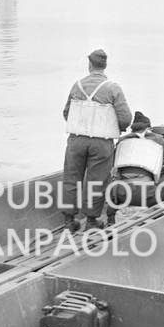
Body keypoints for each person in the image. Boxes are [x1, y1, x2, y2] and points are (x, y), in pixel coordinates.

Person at [61, 49, 132, 231]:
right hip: (101, 143)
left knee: (71, 178)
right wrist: (116, 126)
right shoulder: (113, 88)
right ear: (104, 65)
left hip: (76, 140)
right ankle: (91, 221)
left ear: (89, 65)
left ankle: (69, 221)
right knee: (96, 181)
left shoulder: (77, 86)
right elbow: (126, 118)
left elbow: (66, 113)